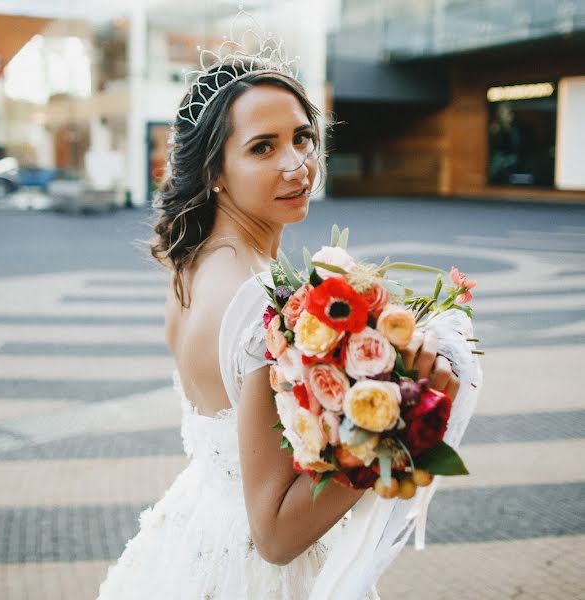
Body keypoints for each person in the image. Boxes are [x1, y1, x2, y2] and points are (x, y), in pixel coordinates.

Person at [96, 56, 463, 599]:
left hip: (197, 533)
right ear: (213, 172)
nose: (297, 165)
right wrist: (399, 429)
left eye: (303, 137)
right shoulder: (256, 305)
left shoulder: (191, 264)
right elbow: (273, 535)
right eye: (262, 147)